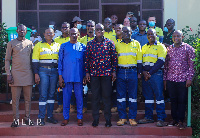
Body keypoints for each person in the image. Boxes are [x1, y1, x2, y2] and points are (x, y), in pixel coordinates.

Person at [84, 23, 118, 127]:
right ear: (95, 31)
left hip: (107, 75)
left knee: (107, 97)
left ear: (104, 31)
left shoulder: (109, 43)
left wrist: (114, 71)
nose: (99, 30)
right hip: (94, 75)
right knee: (95, 98)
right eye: (97, 29)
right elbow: (87, 60)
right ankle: (96, 120)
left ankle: (108, 120)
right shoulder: (90, 44)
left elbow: (114, 59)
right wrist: (87, 72)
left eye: (101, 29)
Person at [163, 30, 195, 129]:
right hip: (171, 79)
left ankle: (181, 120)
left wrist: (189, 78)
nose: (176, 38)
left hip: (183, 79)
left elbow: (192, 65)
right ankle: (174, 119)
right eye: (174, 36)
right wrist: (165, 79)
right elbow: (166, 65)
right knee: (173, 100)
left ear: (182, 37)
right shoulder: (169, 49)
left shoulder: (188, 48)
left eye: (178, 36)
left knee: (181, 100)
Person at [5, 24, 34, 127]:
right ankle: (16, 120)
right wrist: (8, 74)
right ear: (17, 31)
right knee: (15, 100)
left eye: (24, 30)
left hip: (28, 74)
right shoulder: (11, 43)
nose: (22, 31)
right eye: (20, 30)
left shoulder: (30, 43)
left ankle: (27, 118)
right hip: (15, 75)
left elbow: (32, 60)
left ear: (26, 32)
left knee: (28, 99)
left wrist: (35, 74)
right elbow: (7, 60)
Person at [138, 29, 167, 127]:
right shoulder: (144, 47)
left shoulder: (160, 46)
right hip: (146, 75)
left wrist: (149, 73)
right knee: (148, 97)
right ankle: (149, 117)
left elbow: (160, 61)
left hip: (156, 74)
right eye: (148, 34)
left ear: (156, 35)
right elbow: (140, 61)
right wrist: (143, 72)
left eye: (152, 34)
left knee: (159, 97)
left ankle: (161, 118)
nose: (150, 35)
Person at [32, 27, 60, 126]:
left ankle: (49, 116)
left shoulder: (57, 45)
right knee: (43, 94)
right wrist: (36, 74)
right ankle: (41, 118)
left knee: (52, 95)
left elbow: (60, 60)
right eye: (47, 33)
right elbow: (35, 61)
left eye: (51, 33)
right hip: (42, 71)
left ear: (54, 35)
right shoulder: (38, 45)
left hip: (54, 72)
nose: (49, 34)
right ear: (44, 34)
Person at [58, 28, 86, 126]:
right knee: (66, 98)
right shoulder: (64, 46)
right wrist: (60, 76)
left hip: (78, 76)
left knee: (79, 98)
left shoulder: (83, 47)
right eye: (72, 34)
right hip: (67, 76)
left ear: (78, 34)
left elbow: (85, 63)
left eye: (75, 34)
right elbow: (60, 62)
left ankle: (80, 117)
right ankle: (66, 118)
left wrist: (85, 75)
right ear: (69, 34)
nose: (74, 35)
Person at [115, 26, 142, 126]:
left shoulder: (136, 44)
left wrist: (139, 73)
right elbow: (115, 60)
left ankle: (132, 118)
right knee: (121, 96)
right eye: (124, 31)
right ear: (121, 33)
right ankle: (122, 117)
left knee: (132, 96)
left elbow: (139, 60)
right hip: (121, 72)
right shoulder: (117, 45)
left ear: (132, 33)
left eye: (128, 31)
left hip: (132, 72)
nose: (126, 33)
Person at [70, 20, 96, 114]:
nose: (90, 27)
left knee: (95, 90)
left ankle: (96, 108)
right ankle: (83, 106)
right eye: (88, 26)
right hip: (84, 68)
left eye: (92, 26)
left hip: (95, 69)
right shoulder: (82, 40)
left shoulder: (98, 39)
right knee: (83, 89)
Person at [54, 22, 70, 113]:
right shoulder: (56, 40)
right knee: (60, 87)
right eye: (63, 27)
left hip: (70, 67)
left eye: (66, 27)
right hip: (60, 67)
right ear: (60, 29)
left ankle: (71, 105)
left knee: (70, 87)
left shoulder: (72, 38)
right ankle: (60, 105)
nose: (65, 28)